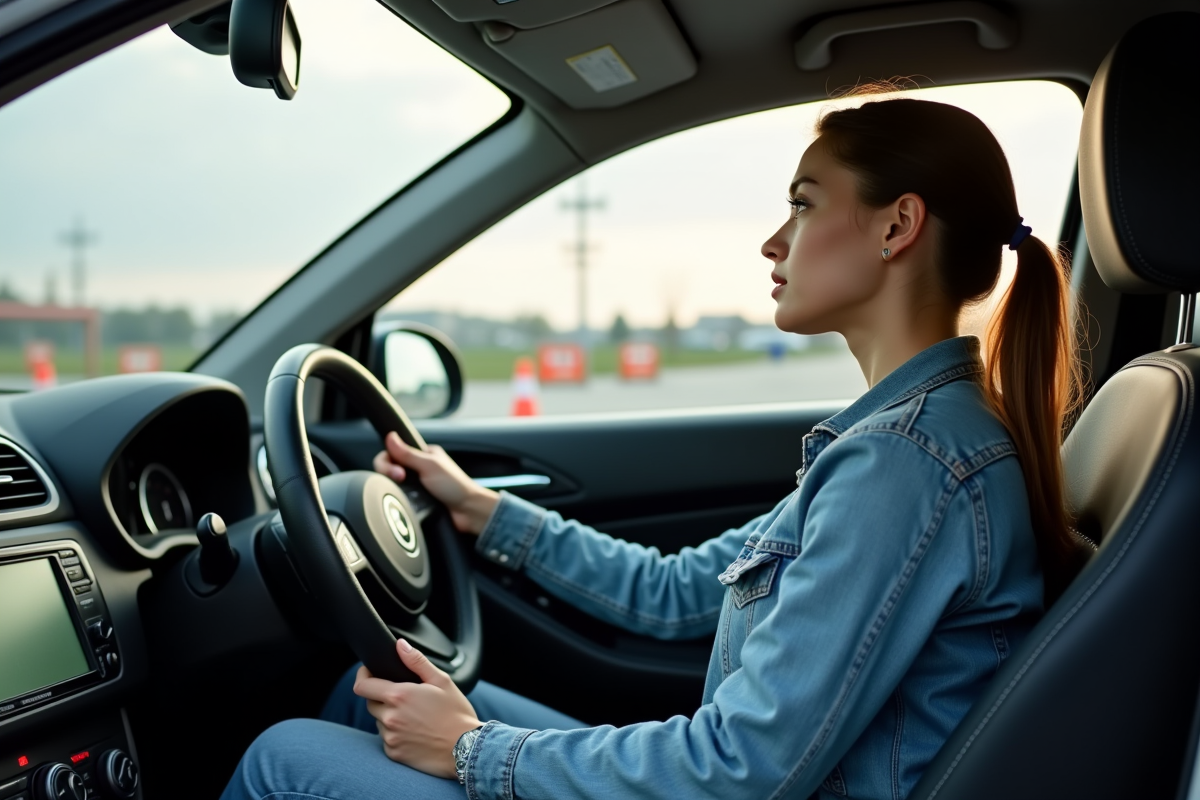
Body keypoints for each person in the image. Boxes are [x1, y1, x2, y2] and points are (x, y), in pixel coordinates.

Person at [221, 95, 1081, 800]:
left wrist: (476, 751)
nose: (773, 240)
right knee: (363, 700)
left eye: (804, 202)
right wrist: (483, 510)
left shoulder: (906, 462)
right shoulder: (904, 438)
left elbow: (748, 766)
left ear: (897, 226)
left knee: (283, 756)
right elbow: (676, 592)